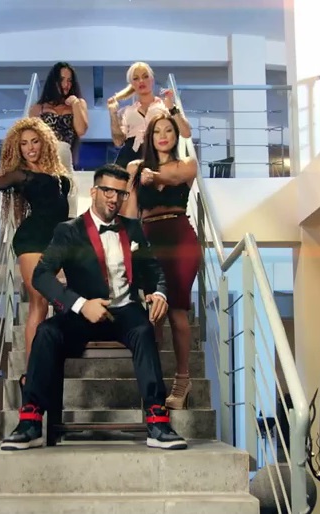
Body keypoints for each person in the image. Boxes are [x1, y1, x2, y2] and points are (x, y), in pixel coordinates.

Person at [0, 164, 189, 451]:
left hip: (125, 311)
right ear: (94, 192)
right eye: (108, 191)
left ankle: (157, 422)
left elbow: (154, 271)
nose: (114, 199)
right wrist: (80, 304)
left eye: (121, 193)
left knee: (144, 330)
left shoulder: (133, 228)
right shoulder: (68, 231)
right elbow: (41, 275)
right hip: (81, 313)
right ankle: (30, 422)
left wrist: (159, 293)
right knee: (46, 332)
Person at [0, 118, 73, 389]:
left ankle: (48, 360)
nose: (30, 148)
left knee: (57, 299)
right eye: (24, 144)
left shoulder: (57, 172)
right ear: (18, 148)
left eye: (35, 141)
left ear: (44, 143)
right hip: (32, 239)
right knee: (39, 300)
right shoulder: (20, 175)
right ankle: (32, 372)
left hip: (58, 240)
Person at [124, 114, 200, 410]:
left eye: (169, 130)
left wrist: (154, 177)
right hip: (148, 239)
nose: (164, 135)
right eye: (158, 131)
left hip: (180, 237)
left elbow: (174, 179)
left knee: (177, 310)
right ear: (150, 136)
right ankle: (153, 384)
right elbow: (130, 212)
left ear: (176, 136)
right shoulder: (135, 167)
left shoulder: (186, 164)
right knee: (152, 313)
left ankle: (182, 381)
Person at [106, 61, 191, 170]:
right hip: (129, 159)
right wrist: (113, 114)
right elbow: (118, 142)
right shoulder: (126, 111)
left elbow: (186, 133)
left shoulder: (165, 106)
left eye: (145, 76)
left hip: (159, 157)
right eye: (136, 78)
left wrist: (172, 108)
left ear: (152, 80)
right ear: (132, 84)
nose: (141, 81)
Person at [29, 62, 88, 176]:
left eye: (69, 80)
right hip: (43, 162)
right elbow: (30, 138)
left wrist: (75, 103)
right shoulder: (38, 108)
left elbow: (81, 130)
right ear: (54, 81)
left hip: (65, 159)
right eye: (62, 80)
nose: (66, 84)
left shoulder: (78, 103)